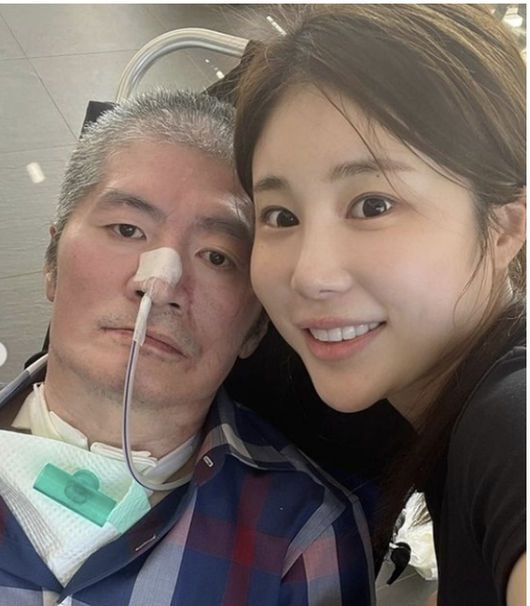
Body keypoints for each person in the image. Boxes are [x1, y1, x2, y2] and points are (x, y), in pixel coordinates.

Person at [0, 90, 375, 605]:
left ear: (256, 328)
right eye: (127, 229)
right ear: (51, 263)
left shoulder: (304, 540)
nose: (158, 285)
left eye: (217, 257)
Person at [233, 5, 525, 606]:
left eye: (372, 205)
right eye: (281, 216)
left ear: (504, 227)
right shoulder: (444, 418)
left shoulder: (508, 423)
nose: (310, 275)